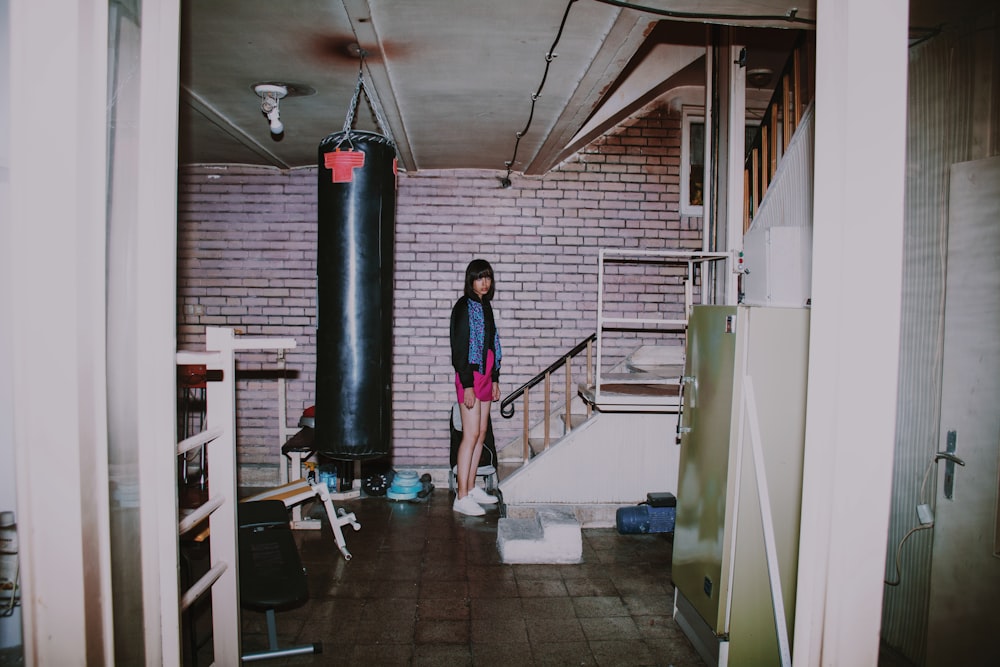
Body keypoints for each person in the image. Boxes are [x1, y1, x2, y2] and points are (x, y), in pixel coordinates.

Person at [449, 259, 503, 516]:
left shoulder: (486, 306)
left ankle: (470, 488)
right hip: (470, 377)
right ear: (471, 280)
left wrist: (495, 379)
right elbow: (459, 348)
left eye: (488, 277)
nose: (485, 282)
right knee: (469, 435)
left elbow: (492, 343)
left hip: (486, 376)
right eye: (480, 277)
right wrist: (468, 384)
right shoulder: (463, 307)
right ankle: (460, 496)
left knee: (481, 433)